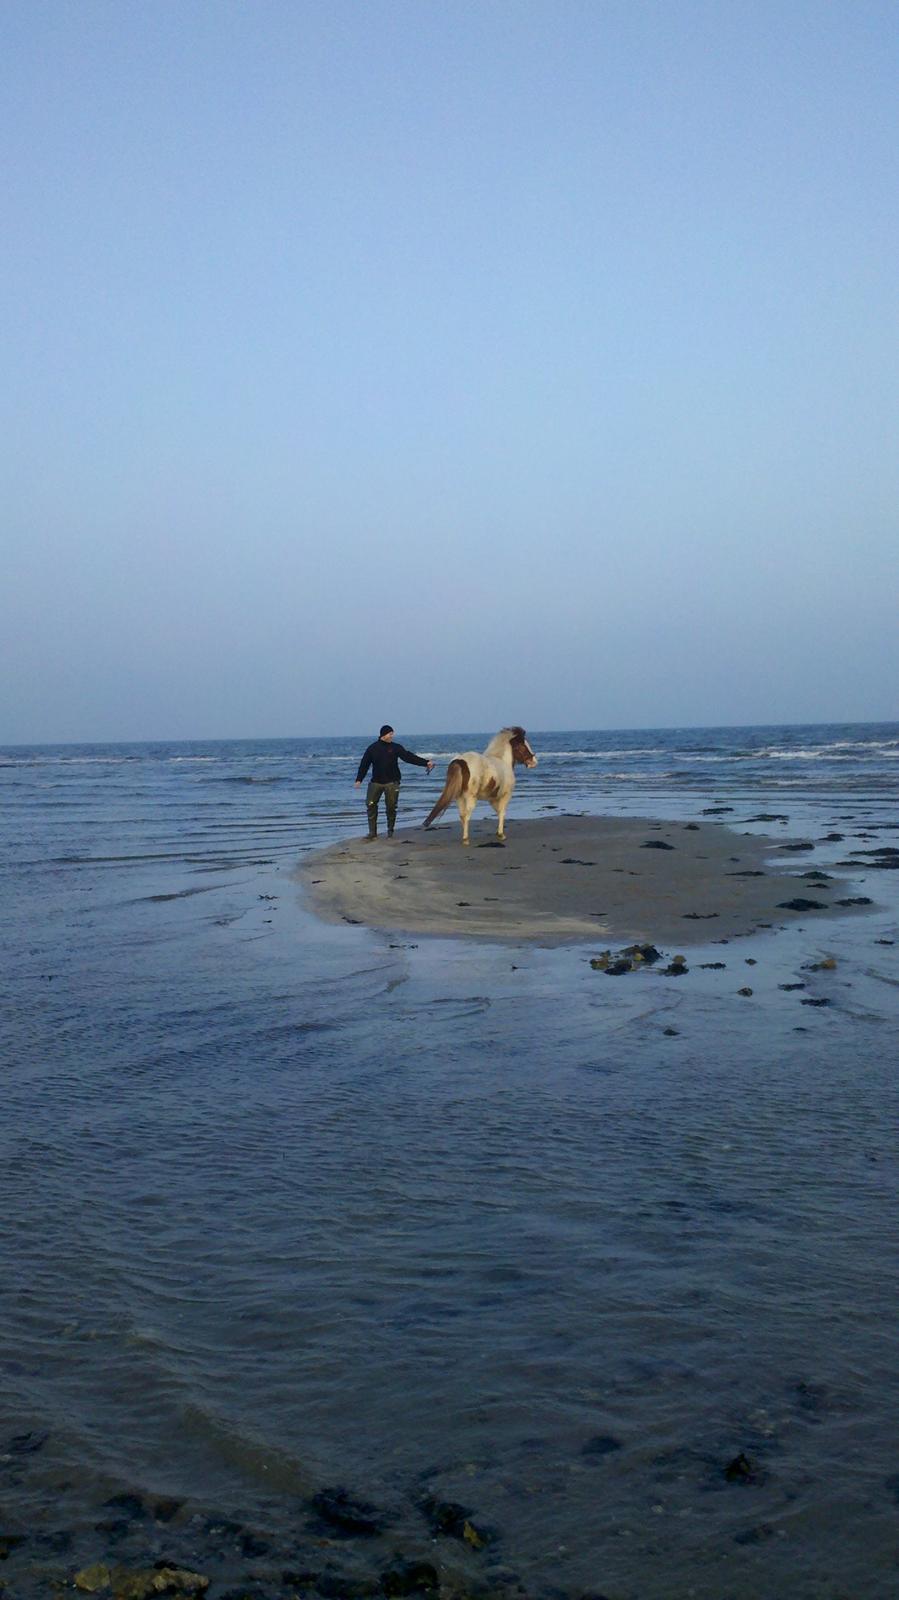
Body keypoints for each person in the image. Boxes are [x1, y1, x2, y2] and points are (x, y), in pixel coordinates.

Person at [354, 725, 434, 839]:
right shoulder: (372, 748)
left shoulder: (396, 747)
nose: (392, 736)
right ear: (384, 735)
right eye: (390, 734)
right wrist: (359, 779)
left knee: (391, 807)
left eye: (392, 734)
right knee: (370, 805)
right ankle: (373, 833)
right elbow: (364, 764)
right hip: (376, 782)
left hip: (392, 782)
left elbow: (408, 757)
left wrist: (425, 763)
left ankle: (390, 831)